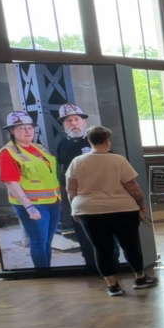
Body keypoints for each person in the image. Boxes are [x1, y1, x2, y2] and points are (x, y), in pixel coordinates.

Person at [65, 126, 157, 296]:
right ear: (107, 141)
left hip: (89, 210)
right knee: (131, 246)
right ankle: (140, 278)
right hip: (123, 209)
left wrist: (74, 210)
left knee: (101, 248)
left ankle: (113, 286)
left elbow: (71, 190)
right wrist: (141, 205)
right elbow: (133, 187)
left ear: (90, 141)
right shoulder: (118, 160)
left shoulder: (77, 161)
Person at [0, 111, 62, 269]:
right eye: (21, 128)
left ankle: (47, 270)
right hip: (32, 204)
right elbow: (11, 182)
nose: (27, 131)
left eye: (30, 128)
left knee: (48, 240)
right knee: (39, 242)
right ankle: (43, 274)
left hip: (53, 201)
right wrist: (29, 206)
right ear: (12, 131)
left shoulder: (38, 147)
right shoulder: (7, 153)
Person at [52, 102, 101, 269]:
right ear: (63, 124)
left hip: (99, 196)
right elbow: (62, 171)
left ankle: (111, 266)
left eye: (76, 119)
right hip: (77, 198)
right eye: (68, 121)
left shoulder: (96, 139)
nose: (73, 123)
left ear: (84, 121)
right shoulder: (61, 145)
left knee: (104, 235)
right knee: (82, 233)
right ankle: (90, 265)